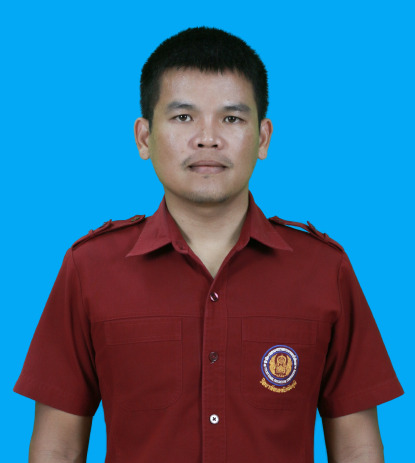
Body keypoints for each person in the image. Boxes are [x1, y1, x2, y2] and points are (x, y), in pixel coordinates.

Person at [14, 27, 403, 463]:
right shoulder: (90, 269)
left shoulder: (324, 269)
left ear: (263, 138)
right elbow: (58, 447)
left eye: (232, 119)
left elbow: (357, 447)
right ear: (144, 137)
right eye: (184, 117)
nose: (208, 138)